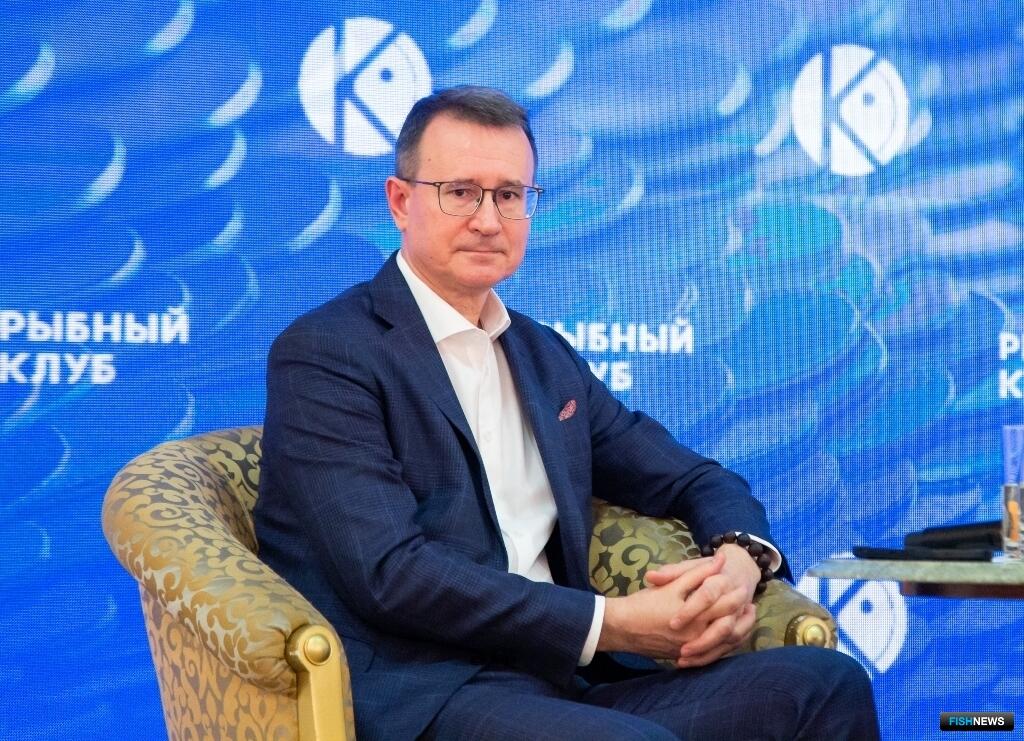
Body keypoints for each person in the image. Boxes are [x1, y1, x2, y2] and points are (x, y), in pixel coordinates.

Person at [254, 85, 879, 741]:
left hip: (564, 684)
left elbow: (693, 477)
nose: (488, 220)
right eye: (460, 192)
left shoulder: (542, 356)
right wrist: (612, 622)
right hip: (429, 695)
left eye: (509, 195)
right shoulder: (327, 353)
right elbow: (393, 574)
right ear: (400, 201)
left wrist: (740, 559)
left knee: (824, 684)